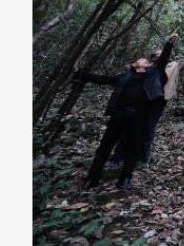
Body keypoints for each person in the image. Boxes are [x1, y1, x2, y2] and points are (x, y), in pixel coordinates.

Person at [76, 32, 178, 189]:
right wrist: (83, 75)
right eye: (142, 59)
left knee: (133, 149)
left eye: (146, 60)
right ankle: (92, 178)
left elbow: (163, 58)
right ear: (135, 64)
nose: (145, 60)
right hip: (119, 115)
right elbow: (104, 80)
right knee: (105, 146)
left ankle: (125, 179)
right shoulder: (125, 76)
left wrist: (169, 42)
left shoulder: (153, 74)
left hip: (138, 117)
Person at [140, 46, 184, 163]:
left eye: (162, 53)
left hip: (159, 100)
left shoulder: (173, 65)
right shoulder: (147, 67)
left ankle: (143, 157)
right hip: (143, 99)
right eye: (159, 54)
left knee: (149, 127)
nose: (162, 55)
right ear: (153, 57)